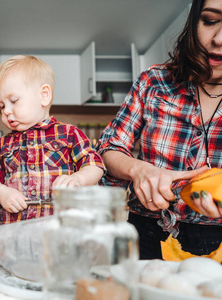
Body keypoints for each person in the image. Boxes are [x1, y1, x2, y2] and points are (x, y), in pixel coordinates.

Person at [97, 0, 222, 260]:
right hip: (145, 233)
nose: (219, 39)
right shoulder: (154, 81)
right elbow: (109, 148)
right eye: (210, 21)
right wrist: (140, 170)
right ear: (193, 21)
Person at [0, 55, 105, 225]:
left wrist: (79, 179)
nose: (6, 111)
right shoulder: (2, 144)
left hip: (62, 231)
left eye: (13, 101)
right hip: (15, 232)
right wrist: (1, 192)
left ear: (44, 95)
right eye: (1, 106)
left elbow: (95, 166)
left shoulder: (69, 133)